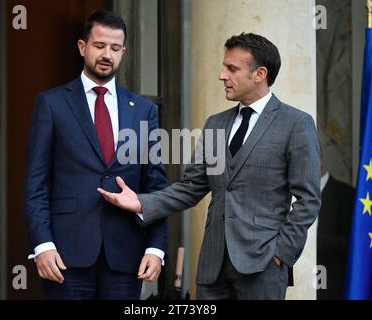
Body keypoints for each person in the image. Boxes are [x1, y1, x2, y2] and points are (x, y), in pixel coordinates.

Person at [98, 33, 321, 300]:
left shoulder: (296, 123)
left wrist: (281, 253)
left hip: (263, 266)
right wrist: (142, 203)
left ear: (260, 73)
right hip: (212, 267)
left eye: (232, 68)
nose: (222, 75)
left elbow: (308, 199)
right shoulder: (216, 123)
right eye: (223, 66)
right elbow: (192, 187)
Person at [23, 10, 168, 300]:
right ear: (82, 47)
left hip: (125, 258)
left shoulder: (143, 111)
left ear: (123, 52)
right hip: (64, 256)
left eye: (115, 48)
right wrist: (43, 245)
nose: (107, 54)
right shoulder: (51, 104)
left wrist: (156, 248)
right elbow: (35, 184)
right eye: (99, 46)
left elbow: (156, 187)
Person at [317, 149, 355, 300]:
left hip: (332, 287)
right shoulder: (291, 195)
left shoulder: (347, 194)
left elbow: (352, 244)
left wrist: (314, 240)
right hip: (299, 284)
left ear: (322, 159)